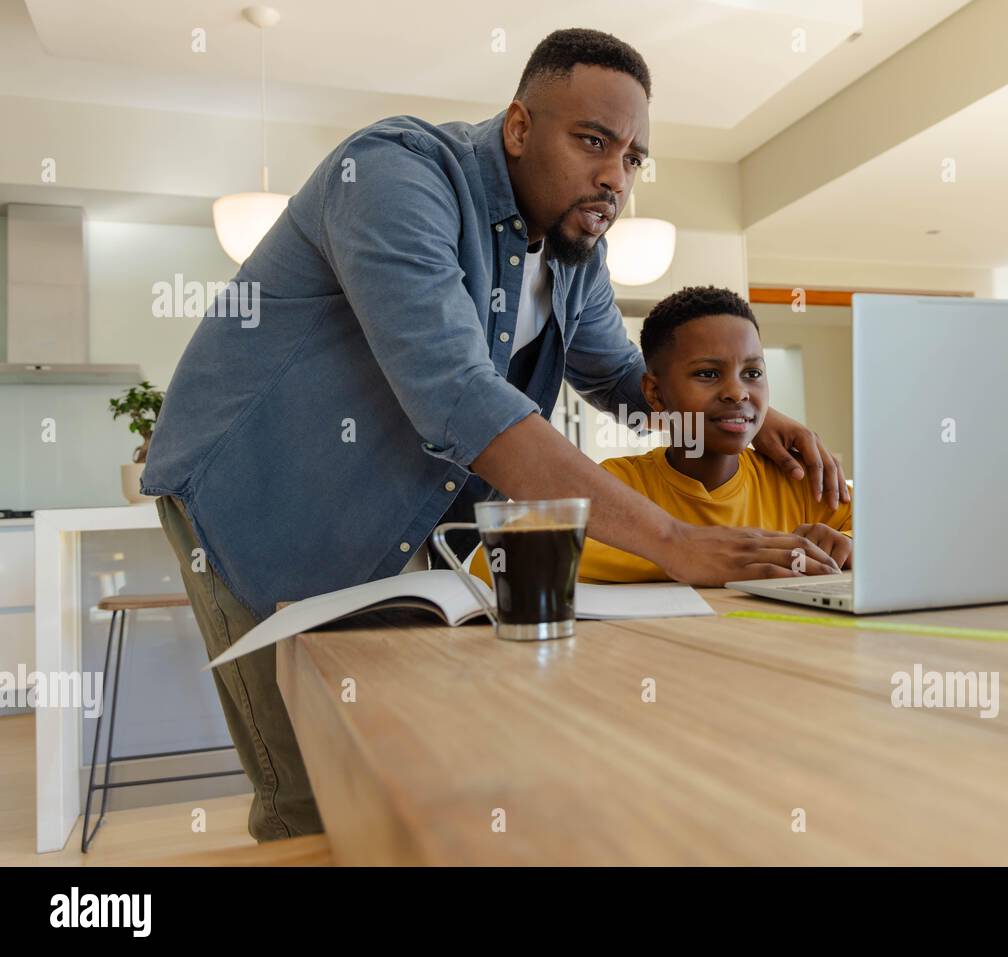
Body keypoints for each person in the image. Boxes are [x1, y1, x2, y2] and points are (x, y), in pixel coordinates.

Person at [141, 29, 847, 842]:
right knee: (316, 796)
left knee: (406, 772)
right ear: (518, 127)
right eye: (593, 142)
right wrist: (672, 539)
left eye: (634, 157)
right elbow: (456, 393)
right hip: (263, 499)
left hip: (406, 522)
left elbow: (623, 379)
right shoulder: (394, 175)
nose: (616, 178)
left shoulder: (578, 252)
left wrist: (751, 420)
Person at [469, 285, 852, 586]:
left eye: (752, 373)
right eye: (707, 373)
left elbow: (899, 538)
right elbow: (493, 561)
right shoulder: (617, 488)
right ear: (654, 393)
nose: (738, 392)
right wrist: (670, 557)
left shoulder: (801, 482)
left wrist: (851, 546)